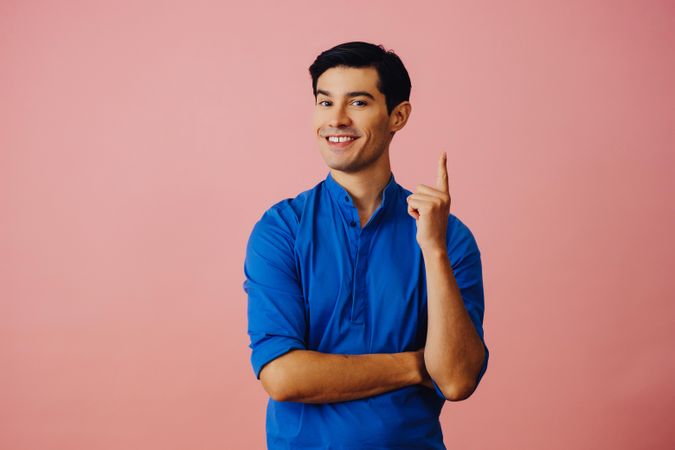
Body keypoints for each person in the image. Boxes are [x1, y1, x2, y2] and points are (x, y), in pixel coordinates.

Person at [242, 41, 489, 450]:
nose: (336, 120)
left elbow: (457, 378)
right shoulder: (281, 228)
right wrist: (416, 365)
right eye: (324, 103)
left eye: (357, 102)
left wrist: (434, 249)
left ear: (398, 115)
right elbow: (283, 377)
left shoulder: (448, 237)